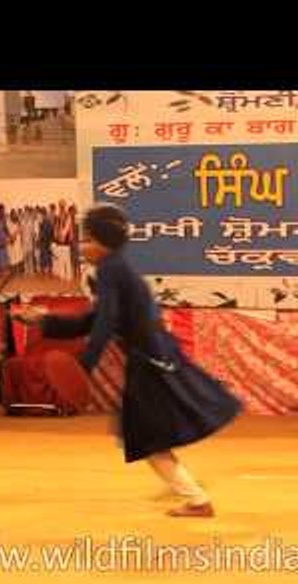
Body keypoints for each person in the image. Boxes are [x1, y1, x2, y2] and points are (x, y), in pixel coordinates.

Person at [17, 204, 242, 517]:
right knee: (147, 433)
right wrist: (44, 321)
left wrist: (84, 366)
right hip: (155, 358)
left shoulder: (111, 270)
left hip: (150, 363)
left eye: (87, 239)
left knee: (144, 436)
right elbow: (92, 320)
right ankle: (185, 486)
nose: (81, 246)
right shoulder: (116, 269)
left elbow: (104, 323)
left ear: (103, 242)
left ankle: (196, 499)